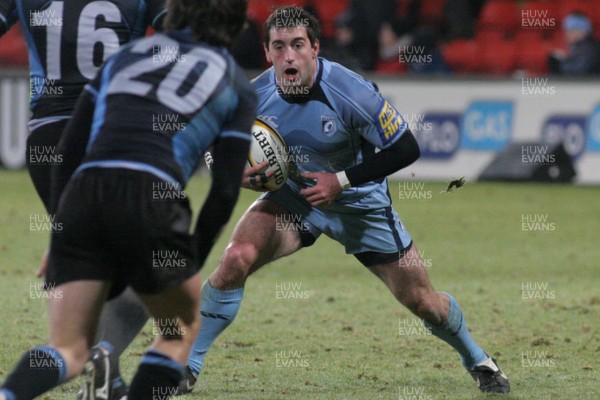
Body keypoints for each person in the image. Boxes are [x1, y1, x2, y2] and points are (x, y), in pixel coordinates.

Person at [179, 5, 510, 395]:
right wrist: (233, 171)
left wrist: (341, 180)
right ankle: (186, 365)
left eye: (298, 45)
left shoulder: (351, 91)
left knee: (423, 302)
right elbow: (211, 146)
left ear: (315, 48)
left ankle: (477, 359)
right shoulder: (251, 96)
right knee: (236, 257)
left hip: (360, 204)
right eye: (279, 47)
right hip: (295, 201)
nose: (289, 56)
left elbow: (406, 148)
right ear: (267, 53)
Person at [0, 0, 255, 399]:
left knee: (67, 348)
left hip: (83, 190)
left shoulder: (127, 58)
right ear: (237, 23)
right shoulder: (235, 81)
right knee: (179, 330)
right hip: (150, 196)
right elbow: (223, 194)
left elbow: (67, 152)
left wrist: (62, 234)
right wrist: (188, 260)